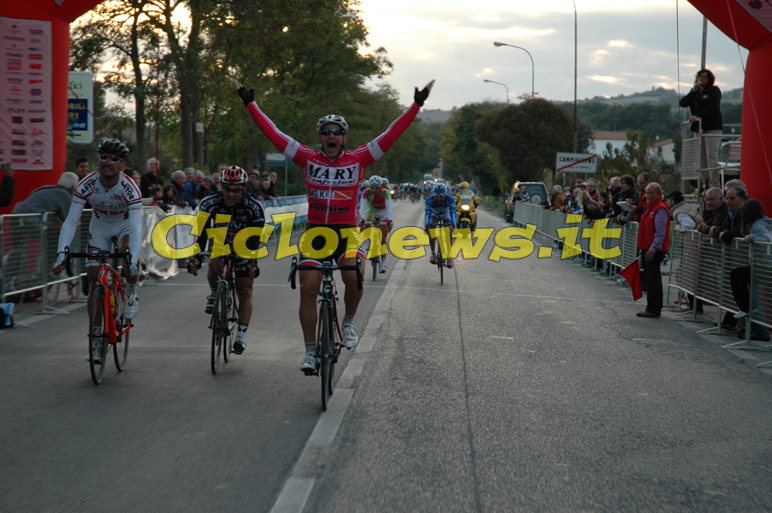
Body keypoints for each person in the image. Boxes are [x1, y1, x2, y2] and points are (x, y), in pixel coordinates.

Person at [235, 77, 434, 374]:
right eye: (326, 132)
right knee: (309, 287)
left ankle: (349, 322)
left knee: (353, 275)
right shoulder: (306, 158)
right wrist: (251, 104)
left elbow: (391, 134)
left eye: (337, 133)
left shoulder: (359, 159)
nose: (331, 136)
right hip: (316, 232)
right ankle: (310, 352)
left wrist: (416, 105)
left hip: (347, 232)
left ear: (344, 138)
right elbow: (273, 132)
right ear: (320, 138)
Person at [52, 139, 142, 362]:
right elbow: (71, 221)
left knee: (128, 254)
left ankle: (131, 294)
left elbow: (137, 226)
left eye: (114, 159)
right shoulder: (87, 184)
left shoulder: (130, 188)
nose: (107, 162)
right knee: (94, 281)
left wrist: (134, 258)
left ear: (121, 164)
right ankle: (95, 338)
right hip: (99, 228)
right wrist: (61, 253)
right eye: (103, 157)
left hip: (124, 226)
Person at [186, 166, 266, 354]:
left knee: (245, 289)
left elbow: (254, 241)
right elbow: (201, 234)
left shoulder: (254, 207)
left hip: (245, 243)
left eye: (236, 190)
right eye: (227, 189)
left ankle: (241, 337)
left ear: (244, 189)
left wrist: (254, 264)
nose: (230, 194)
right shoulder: (208, 203)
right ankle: (215, 292)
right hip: (221, 240)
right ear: (220, 187)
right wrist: (195, 258)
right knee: (214, 262)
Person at [729, 199, 771, 341]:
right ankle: (760, 331)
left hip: (763, 267)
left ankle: (746, 308)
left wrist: (750, 237)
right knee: (755, 297)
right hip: (762, 266)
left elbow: (766, 239)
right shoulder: (759, 224)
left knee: (736, 275)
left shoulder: (758, 226)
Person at [679, 69, 723, 188]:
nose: (701, 79)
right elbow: (682, 103)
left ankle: (715, 185)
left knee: (711, 156)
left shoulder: (714, 90)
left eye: (704, 77)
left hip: (711, 127)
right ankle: (706, 184)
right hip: (699, 129)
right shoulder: (696, 93)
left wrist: (698, 116)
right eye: (699, 77)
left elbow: (713, 107)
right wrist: (693, 92)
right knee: (701, 158)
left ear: (709, 79)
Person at [636, 183, 670, 318]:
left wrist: (652, 249)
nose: (649, 196)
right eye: (647, 193)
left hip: (654, 249)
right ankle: (653, 307)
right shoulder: (649, 208)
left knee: (653, 279)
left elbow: (660, 233)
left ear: (659, 195)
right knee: (651, 278)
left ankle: (653, 308)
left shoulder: (660, 209)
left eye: (652, 193)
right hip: (647, 247)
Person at [359, 175, 393, 273]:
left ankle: (383, 262)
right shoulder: (366, 192)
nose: (374, 189)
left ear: (380, 186)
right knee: (367, 220)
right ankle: (368, 241)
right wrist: (362, 219)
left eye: (376, 187)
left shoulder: (385, 192)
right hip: (371, 210)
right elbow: (363, 207)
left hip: (383, 211)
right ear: (370, 186)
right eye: (372, 187)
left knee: (383, 238)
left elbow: (389, 207)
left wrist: (390, 220)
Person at [425, 183, 456, 268]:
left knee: (449, 229)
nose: (439, 199)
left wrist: (454, 225)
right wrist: (426, 226)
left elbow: (453, 213)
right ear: (433, 195)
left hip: (446, 214)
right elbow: (427, 214)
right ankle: (433, 253)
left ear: (445, 195)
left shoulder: (450, 199)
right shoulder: (429, 200)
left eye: (441, 196)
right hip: (434, 214)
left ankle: (449, 256)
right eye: (437, 196)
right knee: (431, 229)